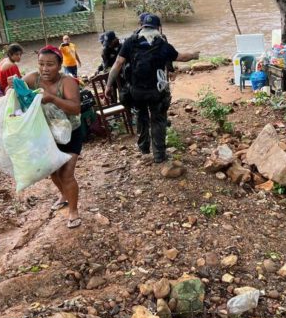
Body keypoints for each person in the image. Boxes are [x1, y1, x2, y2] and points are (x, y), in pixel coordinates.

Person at [105, 14, 199, 163]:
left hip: (136, 91)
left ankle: (143, 148)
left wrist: (109, 86)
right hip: (156, 92)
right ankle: (159, 155)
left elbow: (117, 64)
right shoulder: (162, 44)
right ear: (158, 28)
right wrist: (194, 55)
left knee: (141, 117)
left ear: (142, 27)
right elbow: (180, 57)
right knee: (158, 120)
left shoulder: (130, 42)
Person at [22, 46, 83, 228]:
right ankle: (64, 195)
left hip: (71, 132)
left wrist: (53, 99)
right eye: (41, 64)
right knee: (53, 171)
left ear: (59, 65)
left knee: (66, 174)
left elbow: (75, 108)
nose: (45, 69)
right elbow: (16, 90)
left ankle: (73, 212)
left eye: (50, 64)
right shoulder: (33, 78)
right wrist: (12, 85)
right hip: (47, 134)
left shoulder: (68, 82)